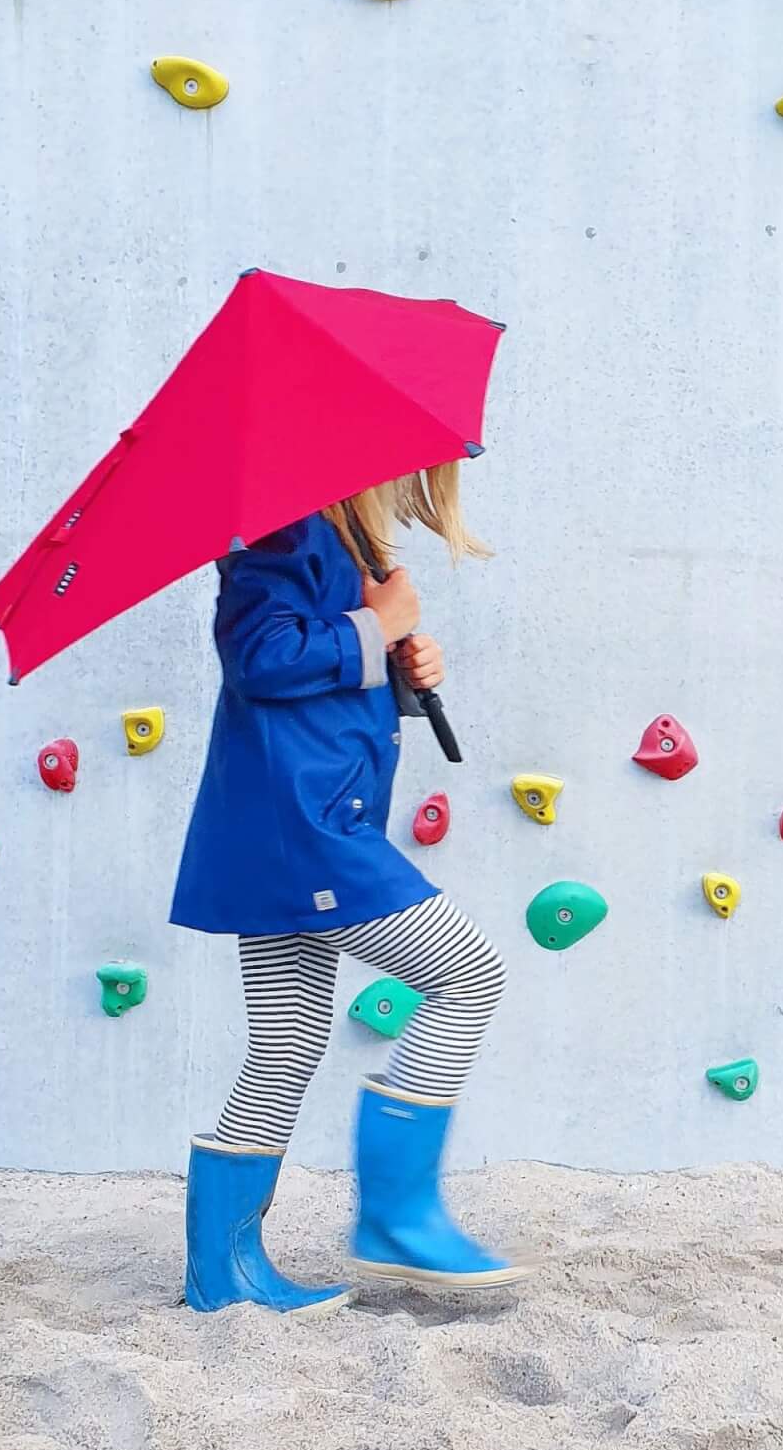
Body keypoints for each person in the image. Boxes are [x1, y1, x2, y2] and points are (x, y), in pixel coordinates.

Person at [169, 465, 524, 1310]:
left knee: (286, 1045)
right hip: (304, 828)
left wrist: (401, 668)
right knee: (470, 973)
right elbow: (256, 658)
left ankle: (222, 1274)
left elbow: (314, 684)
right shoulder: (281, 529)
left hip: (300, 821)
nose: (413, 479)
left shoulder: (337, 538)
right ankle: (397, 1216)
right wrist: (376, 624)